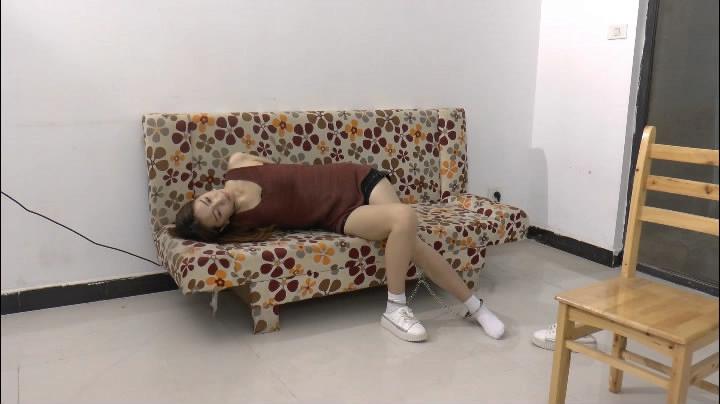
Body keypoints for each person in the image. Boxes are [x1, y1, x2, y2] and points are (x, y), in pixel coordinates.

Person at [174, 151, 505, 342]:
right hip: (339, 215)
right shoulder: (245, 223)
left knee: (409, 237)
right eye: (216, 212)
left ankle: (475, 307)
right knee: (404, 219)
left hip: (358, 178)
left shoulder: (238, 161)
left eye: (208, 199)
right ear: (223, 225)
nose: (218, 201)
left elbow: (286, 178)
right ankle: (402, 307)